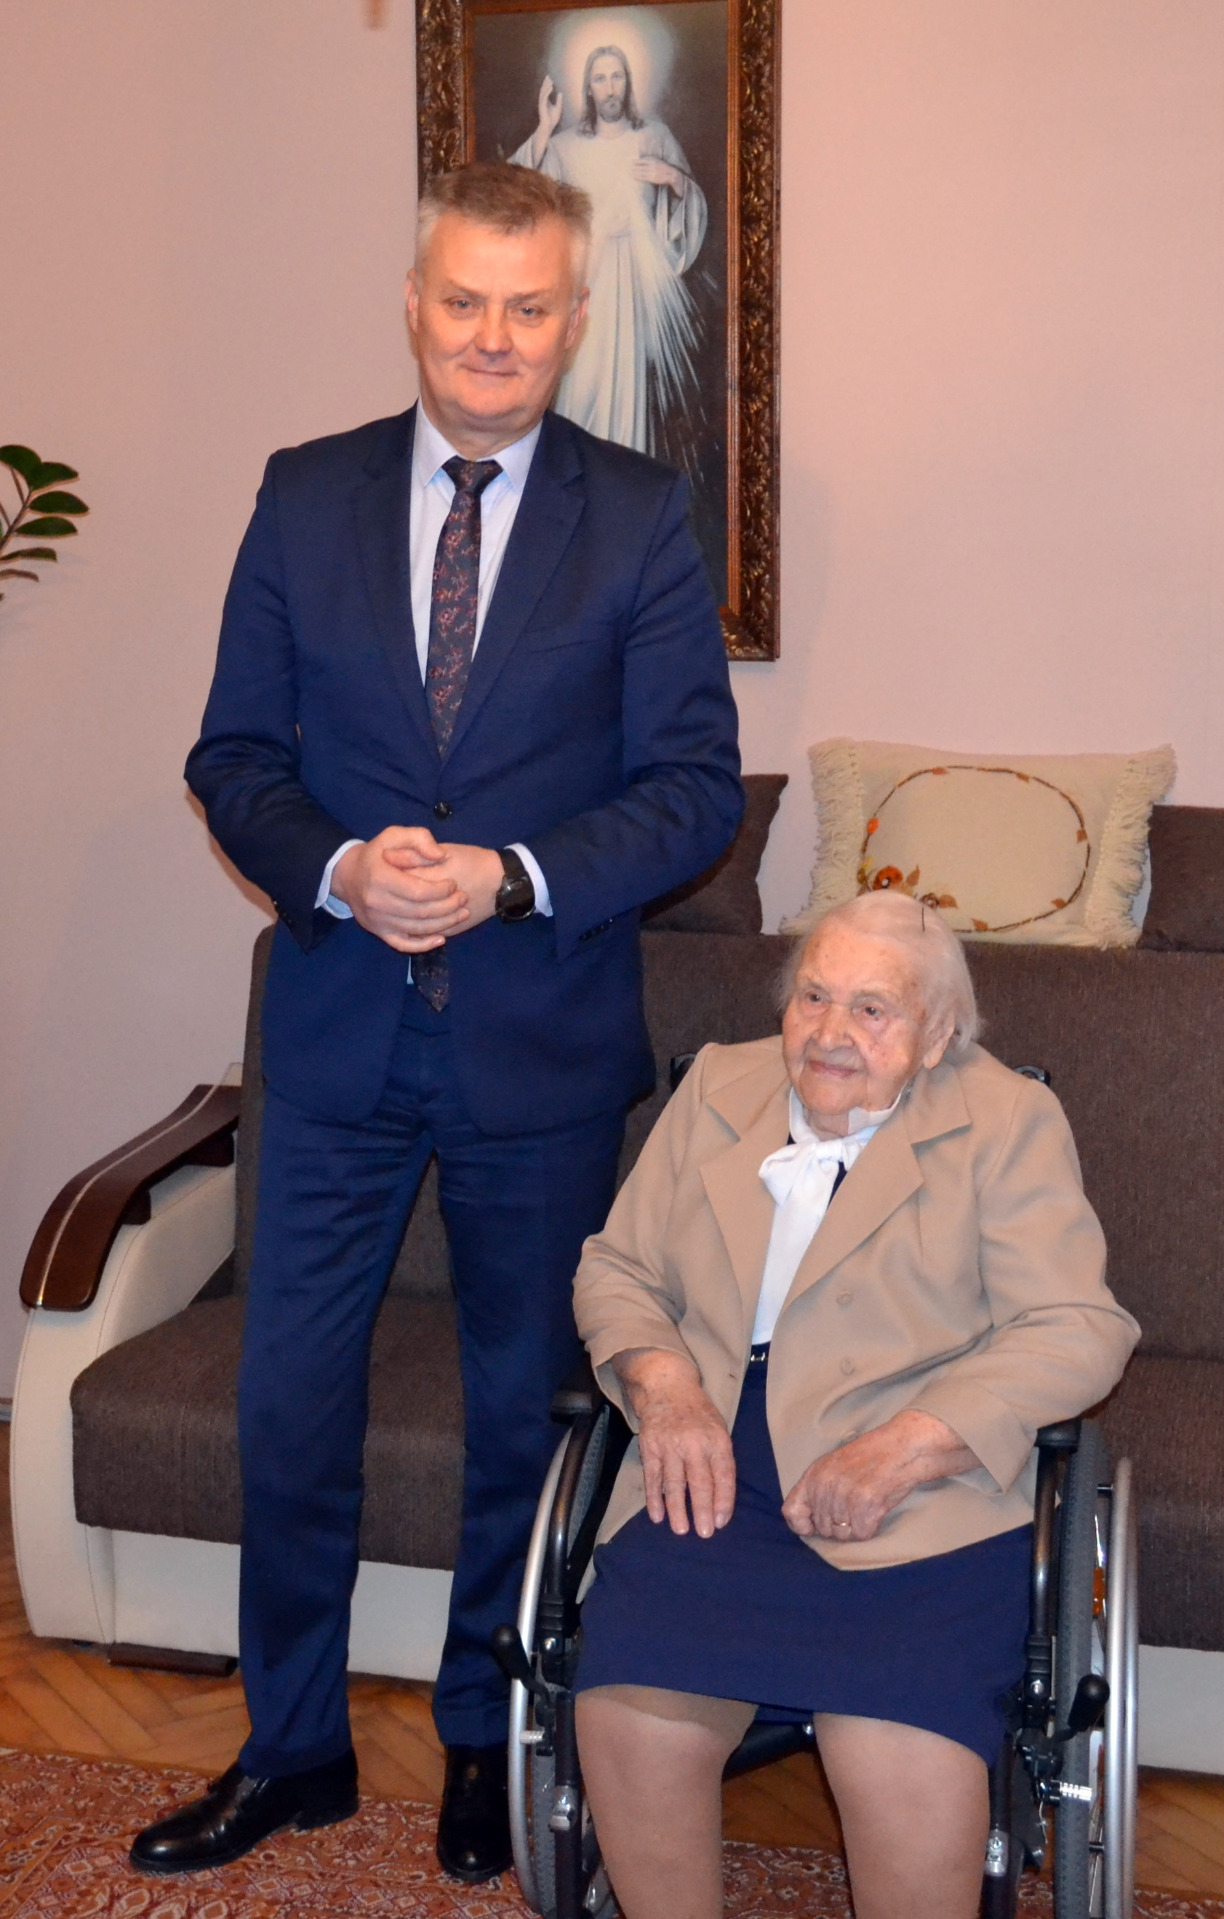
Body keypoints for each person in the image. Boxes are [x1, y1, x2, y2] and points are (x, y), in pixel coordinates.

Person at [129, 160, 742, 1885]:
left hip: (539, 1045)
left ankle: (486, 1734)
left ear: (574, 317)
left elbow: (694, 790)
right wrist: (337, 864)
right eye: (464, 300)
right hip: (333, 1037)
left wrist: (513, 875)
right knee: (287, 1405)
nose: (493, 335)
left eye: (528, 307)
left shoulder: (640, 514)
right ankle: (292, 1746)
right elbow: (232, 755)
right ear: (414, 306)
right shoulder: (303, 491)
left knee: (519, 1413)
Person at [571, 892, 1139, 1919]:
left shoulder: (1005, 1120)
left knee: (892, 1747)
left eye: (871, 1009)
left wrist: (911, 1444)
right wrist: (665, 1387)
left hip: (917, 1496)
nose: (830, 1032)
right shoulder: (719, 1084)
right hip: (712, 1469)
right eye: (812, 996)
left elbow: (1076, 1325)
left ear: (937, 1034)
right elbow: (617, 1268)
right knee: (631, 1715)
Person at [511, 45, 706, 454]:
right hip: (587, 287)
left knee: (628, 394)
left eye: (617, 76)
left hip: (635, 289)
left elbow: (692, 207)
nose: (610, 87)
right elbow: (512, 194)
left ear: (628, 82)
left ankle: (621, 480)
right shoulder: (565, 146)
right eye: (600, 79)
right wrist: (544, 128)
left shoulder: (654, 137)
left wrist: (674, 178)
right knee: (581, 388)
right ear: (588, 88)